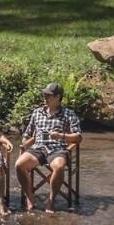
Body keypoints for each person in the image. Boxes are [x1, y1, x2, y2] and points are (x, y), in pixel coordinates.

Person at [16, 82, 82, 213]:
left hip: (58, 149)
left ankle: (51, 200)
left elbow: (78, 137)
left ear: (58, 97)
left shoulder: (68, 114)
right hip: (38, 147)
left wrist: (61, 136)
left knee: (59, 166)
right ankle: (30, 196)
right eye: (44, 94)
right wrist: (24, 145)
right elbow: (27, 134)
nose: (45, 97)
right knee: (19, 164)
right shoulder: (37, 112)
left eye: (48, 95)